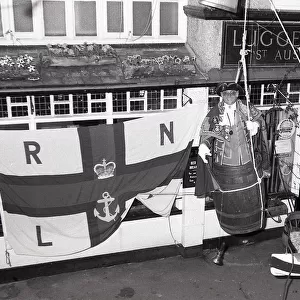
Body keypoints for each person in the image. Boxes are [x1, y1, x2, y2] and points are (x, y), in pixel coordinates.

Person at [195, 82, 270, 236]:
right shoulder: (215, 113)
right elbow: (208, 132)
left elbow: (262, 122)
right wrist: (204, 145)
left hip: (248, 162)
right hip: (225, 166)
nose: (229, 96)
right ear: (221, 96)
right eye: (225, 93)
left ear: (237, 94)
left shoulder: (247, 109)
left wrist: (255, 125)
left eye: (232, 93)